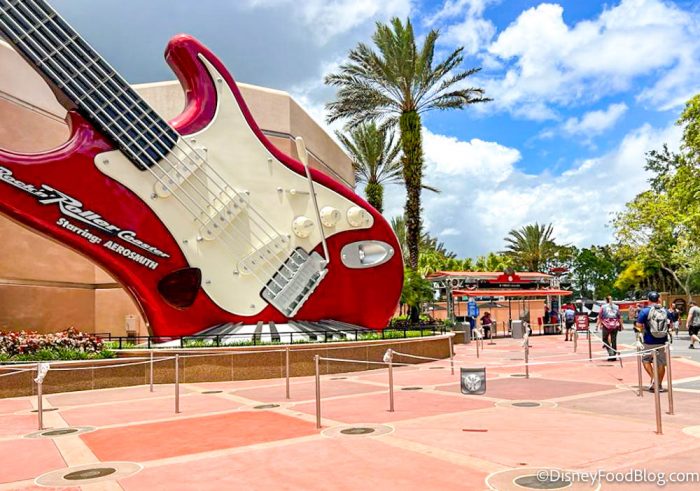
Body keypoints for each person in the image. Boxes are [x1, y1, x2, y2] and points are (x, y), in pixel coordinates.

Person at [636, 292, 670, 392]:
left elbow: (638, 325)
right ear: (658, 299)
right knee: (661, 363)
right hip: (663, 340)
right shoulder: (665, 311)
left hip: (648, 341)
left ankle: (654, 379)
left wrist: (639, 336)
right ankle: (658, 385)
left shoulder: (645, 311)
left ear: (648, 300)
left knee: (645, 360)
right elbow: (670, 323)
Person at [597, 296, 622, 361]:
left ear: (606, 300)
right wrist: (621, 325)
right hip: (615, 325)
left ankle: (610, 353)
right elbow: (619, 317)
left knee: (605, 339)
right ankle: (614, 356)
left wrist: (597, 325)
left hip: (606, 325)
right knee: (614, 340)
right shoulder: (616, 307)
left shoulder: (603, 307)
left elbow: (600, 316)